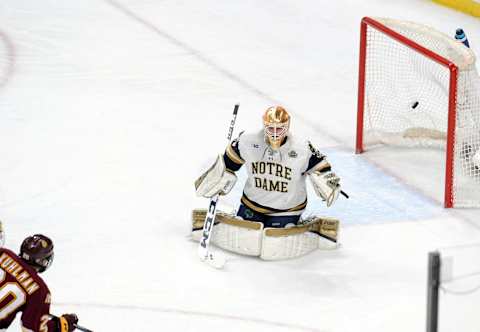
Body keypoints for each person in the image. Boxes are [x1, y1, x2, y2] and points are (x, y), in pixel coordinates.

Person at [195, 105, 341, 228]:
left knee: (274, 242)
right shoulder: (247, 141)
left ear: (287, 126)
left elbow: (322, 168)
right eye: (271, 128)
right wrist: (220, 175)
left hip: (287, 210)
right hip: (252, 205)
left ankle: (302, 225)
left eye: (279, 129)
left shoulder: (302, 148)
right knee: (247, 235)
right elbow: (229, 164)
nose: (275, 134)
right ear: (264, 125)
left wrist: (328, 181)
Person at [0, 234, 78, 332]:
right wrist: (61, 325)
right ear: (44, 261)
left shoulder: (3, 253)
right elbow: (32, 330)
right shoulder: (40, 291)